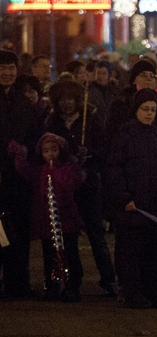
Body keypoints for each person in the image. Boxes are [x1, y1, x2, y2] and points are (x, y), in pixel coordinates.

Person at [105, 89, 157, 309]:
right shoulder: (124, 136)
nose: (149, 114)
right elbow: (114, 169)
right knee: (130, 251)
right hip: (132, 205)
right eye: (145, 109)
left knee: (152, 250)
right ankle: (132, 292)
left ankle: (152, 291)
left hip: (154, 204)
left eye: (153, 110)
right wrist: (124, 197)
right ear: (136, 110)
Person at [45, 80, 117, 297]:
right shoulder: (52, 122)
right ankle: (73, 283)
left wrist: (90, 154)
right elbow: (45, 150)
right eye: (62, 99)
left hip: (88, 187)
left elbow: (104, 151)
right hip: (65, 188)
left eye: (71, 98)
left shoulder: (91, 119)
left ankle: (109, 280)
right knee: (68, 238)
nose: (67, 103)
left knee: (96, 235)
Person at [8, 133, 83, 302]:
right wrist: (19, 155)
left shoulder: (68, 169)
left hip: (66, 219)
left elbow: (71, 184)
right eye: (46, 151)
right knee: (49, 255)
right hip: (46, 220)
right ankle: (52, 286)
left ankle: (72, 286)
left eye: (54, 150)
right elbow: (24, 171)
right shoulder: (40, 171)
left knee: (70, 253)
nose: (50, 154)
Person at [0, 50, 37, 299]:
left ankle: (18, 283)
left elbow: (33, 136)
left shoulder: (24, 102)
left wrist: (24, 151)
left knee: (19, 231)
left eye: (11, 68)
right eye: (2, 68)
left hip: (19, 177)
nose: (7, 73)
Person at [87, 61, 120, 128]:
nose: (101, 76)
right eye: (98, 73)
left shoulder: (114, 91)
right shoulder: (91, 91)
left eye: (104, 73)